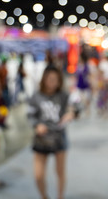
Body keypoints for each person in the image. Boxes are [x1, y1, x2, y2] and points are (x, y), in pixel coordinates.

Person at [27, 66, 75, 199]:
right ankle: (44, 196)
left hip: (59, 136)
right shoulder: (36, 96)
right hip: (41, 138)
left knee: (60, 172)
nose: (53, 83)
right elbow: (30, 115)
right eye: (51, 79)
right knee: (38, 175)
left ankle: (60, 196)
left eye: (56, 80)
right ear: (44, 79)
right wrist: (37, 125)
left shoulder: (63, 95)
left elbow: (73, 107)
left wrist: (71, 113)